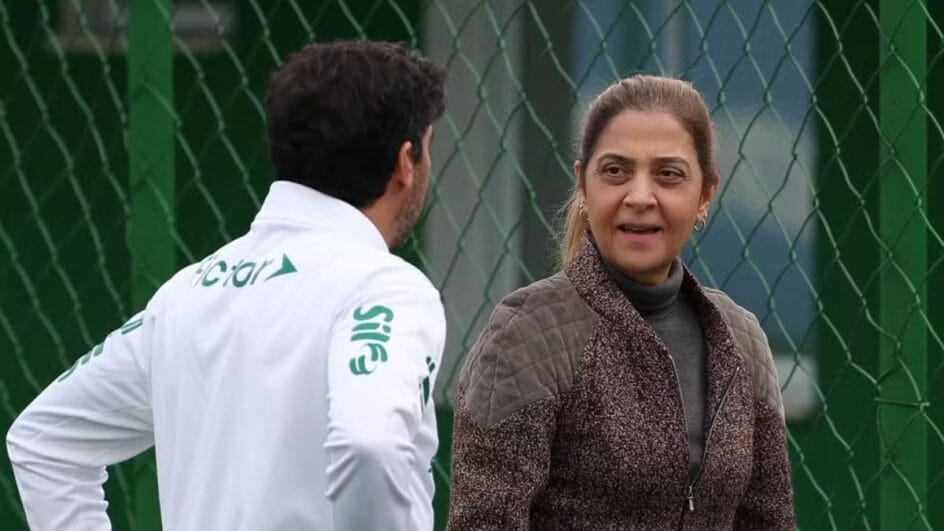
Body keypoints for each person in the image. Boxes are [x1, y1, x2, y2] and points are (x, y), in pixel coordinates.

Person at [7, 41, 447, 531]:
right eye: (429, 147)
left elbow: (46, 438)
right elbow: (371, 444)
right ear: (406, 162)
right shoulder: (385, 288)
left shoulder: (184, 294)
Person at [447, 75, 795, 529]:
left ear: (706, 194)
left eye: (668, 174)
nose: (639, 197)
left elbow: (770, 520)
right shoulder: (528, 333)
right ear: (583, 186)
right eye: (616, 171)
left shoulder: (741, 337)